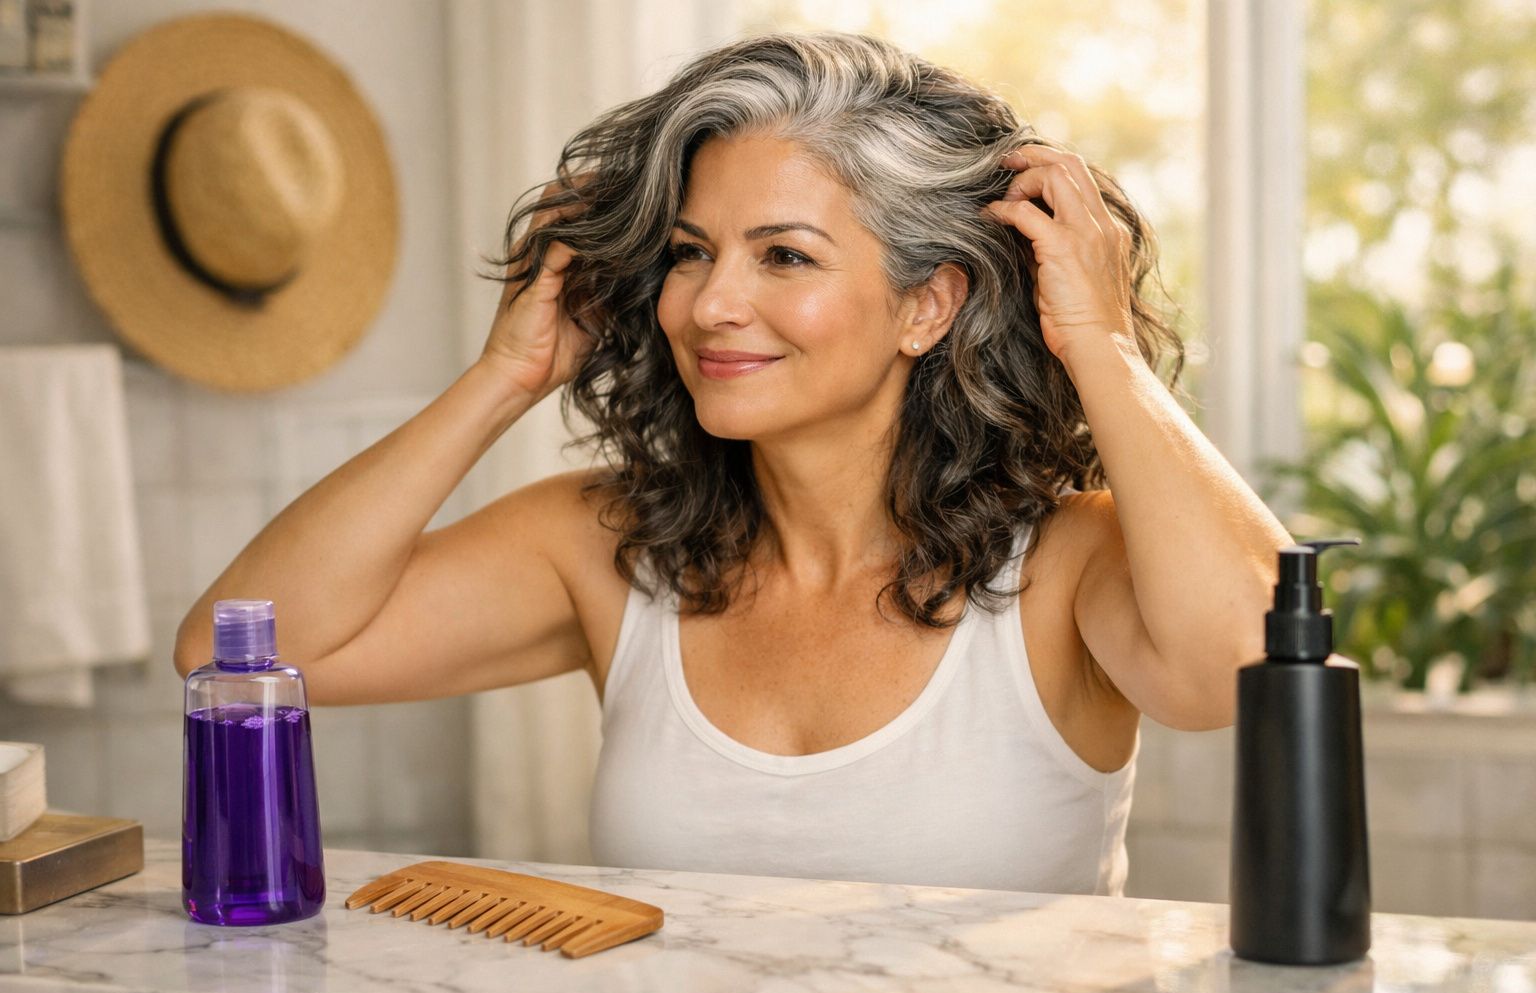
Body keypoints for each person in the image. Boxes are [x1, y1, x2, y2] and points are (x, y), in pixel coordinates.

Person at [175, 32, 1292, 896]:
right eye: (691, 252)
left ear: (927, 305)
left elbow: (1258, 670)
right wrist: (505, 377)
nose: (711, 304)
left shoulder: (1066, 562)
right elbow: (238, 649)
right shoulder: (608, 548)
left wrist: (1092, 339)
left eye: (784, 256)